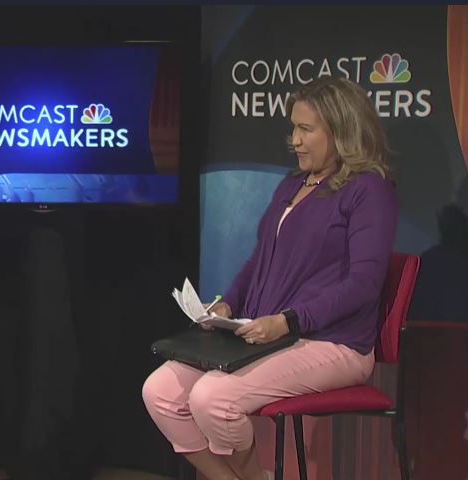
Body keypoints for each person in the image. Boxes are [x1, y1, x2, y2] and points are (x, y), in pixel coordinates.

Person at [142, 76, 397, 480]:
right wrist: (228, 304)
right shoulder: (292, 184)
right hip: (273, 335)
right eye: (293, 127)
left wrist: (288, 320)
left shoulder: (369, 190)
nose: (293, 140)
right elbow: (260, 261)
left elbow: (363, 285)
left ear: (341, 130)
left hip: (334, 341)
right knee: (159, 391)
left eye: (305, 129)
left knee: (212, 398)